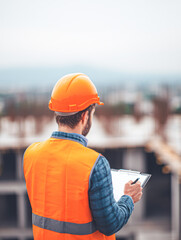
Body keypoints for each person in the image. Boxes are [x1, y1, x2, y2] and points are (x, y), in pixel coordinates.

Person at [23, 73, 143, 240]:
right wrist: (128, 198)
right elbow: (110, 224)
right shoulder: (95, 163)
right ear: (85, 115)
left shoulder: (31, 154)